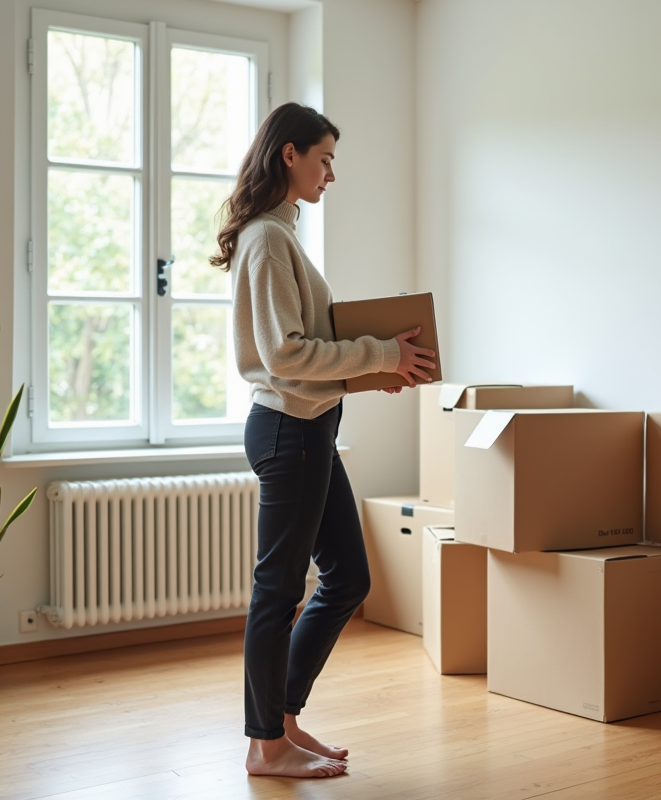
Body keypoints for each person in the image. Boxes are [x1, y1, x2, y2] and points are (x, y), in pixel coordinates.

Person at [210, 102, 435, 779]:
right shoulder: (270, 239)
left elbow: (306, 352)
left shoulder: (277, 234)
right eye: (325, 158)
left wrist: (375, 368)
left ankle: (280, 722)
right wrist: (379, 355)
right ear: (290, 154)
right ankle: (265, 744)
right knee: (278, 590)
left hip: (307, 427)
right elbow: (286, 355)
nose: (330, 174)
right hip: (291, 431)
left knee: (348, 577)